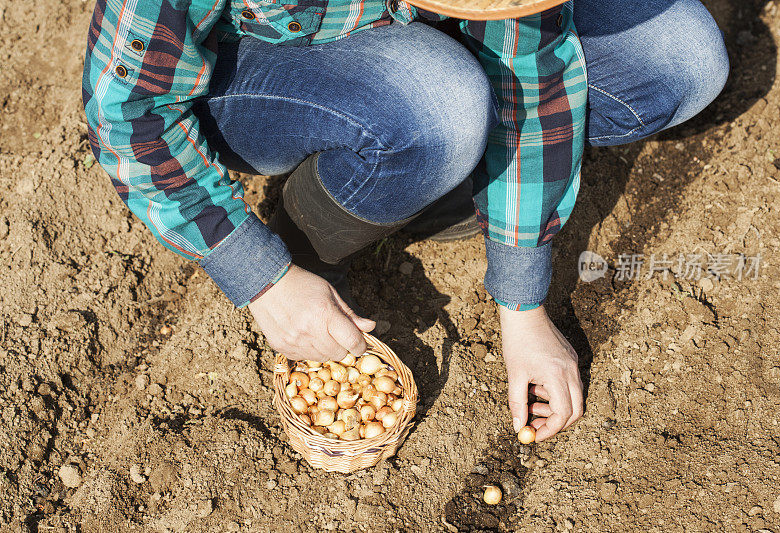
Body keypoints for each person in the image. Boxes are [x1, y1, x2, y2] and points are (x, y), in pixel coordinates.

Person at [82, 0, 728, 442]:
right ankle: (319, 225)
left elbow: (532, 61)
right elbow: (126, 110)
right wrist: (262, 275)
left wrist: (524, 305)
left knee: (680, 58)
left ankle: (435, 177)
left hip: (406, 27)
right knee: (439, 105)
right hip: (247, 65)